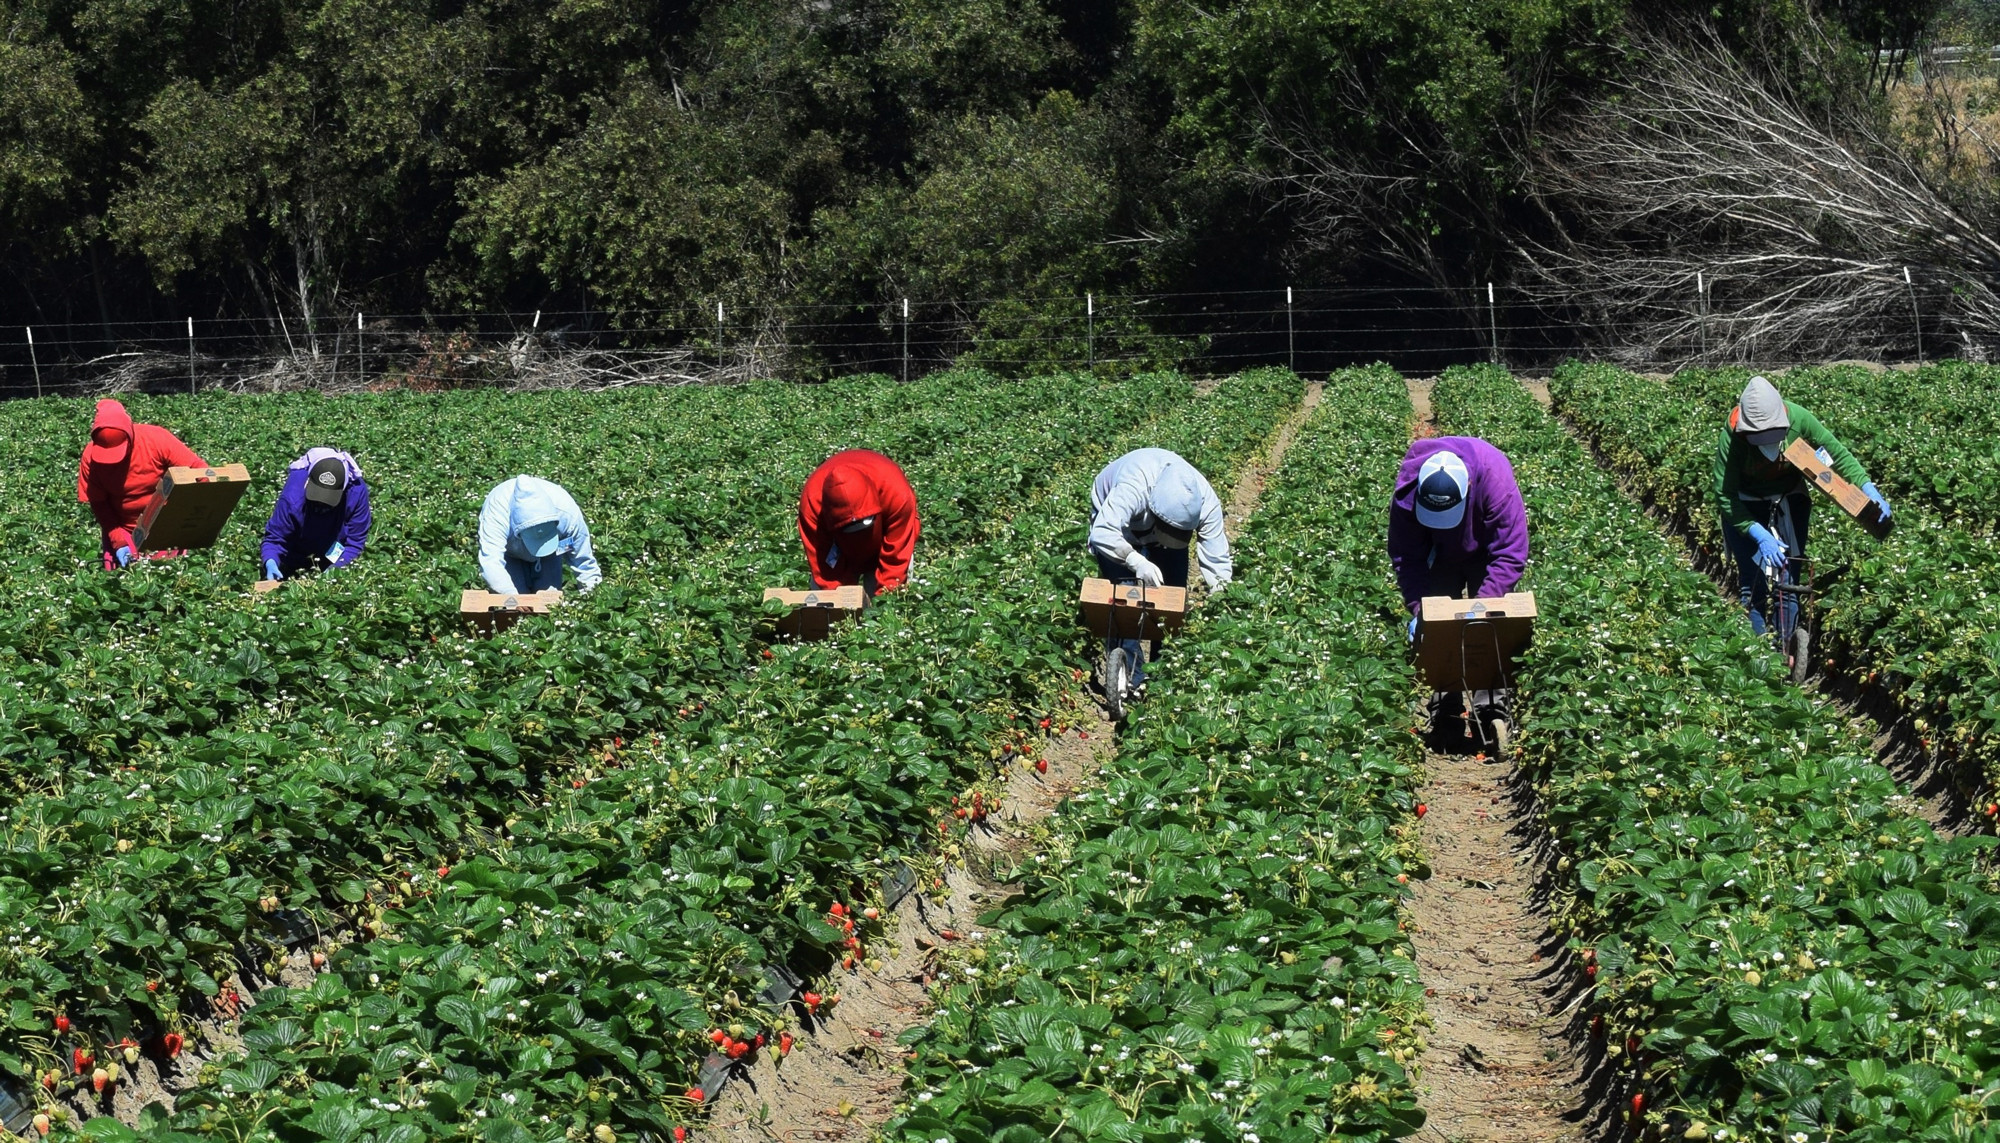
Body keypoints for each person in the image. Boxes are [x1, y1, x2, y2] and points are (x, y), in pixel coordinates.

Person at [1713, 374, 1890, 636]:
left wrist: (1867, 486)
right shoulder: (1733, 436)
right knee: (1753, 581)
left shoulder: (1799, 418)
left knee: (1789, 579)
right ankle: (1757, 649)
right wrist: (1757, 532)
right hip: (1745, 502)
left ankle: (1786, 651)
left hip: (1788, 495)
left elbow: (1837, 454)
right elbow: (1725, 494)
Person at [1387, 437, 1529, 741]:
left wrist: (1480, 608)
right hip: (1437, 552)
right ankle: (1444, 700)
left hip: (1485, 549)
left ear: (1466, 493)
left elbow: (1510, 553)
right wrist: (1420, 607)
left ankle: (1490, 704)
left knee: (1486, 626)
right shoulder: (1407, 494)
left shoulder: (1495, 483)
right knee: (1439, 626)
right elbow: (1406, 557)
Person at [1086, 448, 1231, 696]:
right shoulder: (1134, 488)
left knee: (1172, 602)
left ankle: (1163, 678)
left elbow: (1217, 560)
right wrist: (1134, 559)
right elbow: (1103, 532)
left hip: (1151, 523)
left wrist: (1223, 598)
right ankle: (1131, 682)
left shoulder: (1205, 502)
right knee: (1125, 603)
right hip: (1119, 529)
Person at [76, 398, 205, 570]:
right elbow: (100, 504)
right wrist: (118, 541)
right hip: (122, 528)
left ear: (130, 437)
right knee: (121, 588)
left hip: (165, 526)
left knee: (168, 581)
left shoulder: (156, 439)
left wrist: (192, 519)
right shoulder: (90, 458)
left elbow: (198, 471)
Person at [798, 449, 919, 596]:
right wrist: (840, 604)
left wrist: (886, 600)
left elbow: (896, 557)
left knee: (891, 594)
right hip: (839, 548)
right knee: (825, 603)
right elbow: (825, 568)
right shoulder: (813, 505)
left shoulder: (896, 492)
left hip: (882, 541)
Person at [259, 448, 371, 581]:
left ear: (343, 491)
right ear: (308, 482)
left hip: (334, 556)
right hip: (294, 554)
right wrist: (270, 560)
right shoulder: (293, 497)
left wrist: (332, 573)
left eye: (328, 502)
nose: (321, 505)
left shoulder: (356, 493)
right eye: (315, 499)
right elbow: (275, 538)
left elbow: (354, 543)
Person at [477, 475, 601, 595]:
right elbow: (491, 562)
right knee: (513, 606)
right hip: (510, 554)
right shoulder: (496, 514)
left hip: (551, 554)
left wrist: (591, 597)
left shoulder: (568, 515)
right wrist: (512, 596)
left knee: (548, 603)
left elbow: (584, 563)